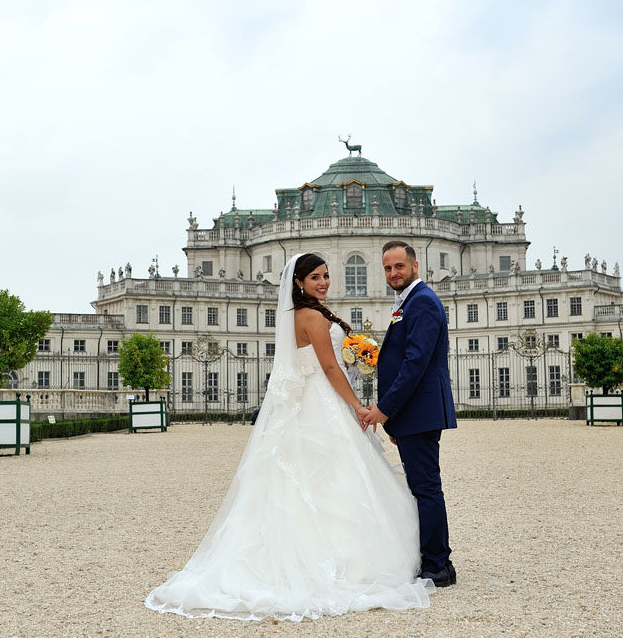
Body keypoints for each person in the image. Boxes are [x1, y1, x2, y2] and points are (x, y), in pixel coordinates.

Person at [145, 253, 434, 621]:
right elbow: (328, 367)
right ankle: (347, 561)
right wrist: (358, 407)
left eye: (326, 275)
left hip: (312, 402)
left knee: (311, 479)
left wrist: (352, 357)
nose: (324, 282)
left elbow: (325, 362)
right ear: (298, 283)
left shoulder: (300, 315)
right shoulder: (312, 316)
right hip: (322, 401)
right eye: (315, 277)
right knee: (337, 474)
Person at [358, 241, 458, 587]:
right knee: (422, 486)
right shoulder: (408, 302)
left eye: (399, 266)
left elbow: (415, 363)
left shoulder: (424, 302)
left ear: (415, 266)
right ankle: (434, 559)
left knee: (426, 488)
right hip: (413, 412)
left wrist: (384, 410)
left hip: (421, 410)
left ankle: (438, 565)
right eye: (387, 268)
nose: (393, 273)